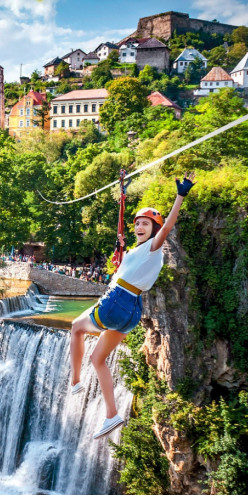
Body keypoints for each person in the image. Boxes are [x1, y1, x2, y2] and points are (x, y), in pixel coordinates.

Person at [69, 173, 195, 439]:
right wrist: (122, 251)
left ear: (154, 229)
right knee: (97, 358)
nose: (139, 226)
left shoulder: (154, 247)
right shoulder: (139, 252)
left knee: (76, 327)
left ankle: (75, 382)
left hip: (118, 301)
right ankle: (111, 415)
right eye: (137, 223)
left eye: (146, 224)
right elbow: (129, 267)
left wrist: (180, 196)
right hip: (133, 312)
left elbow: (169, 226)